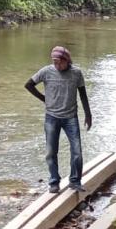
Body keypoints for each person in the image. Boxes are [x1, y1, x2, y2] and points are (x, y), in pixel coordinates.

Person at [25, 46, 92, 193]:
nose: (56, 65)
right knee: (50, 151)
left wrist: (88, 114)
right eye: (54, 62)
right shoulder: (46, 71)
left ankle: (75, 181)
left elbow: (83, 94)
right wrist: (44, 99)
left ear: (66, 61)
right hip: (52, 117)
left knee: (77, 151)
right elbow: (28, 85)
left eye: (59, 62)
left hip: (70, 118)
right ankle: (54, 182)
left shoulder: (76, 73)